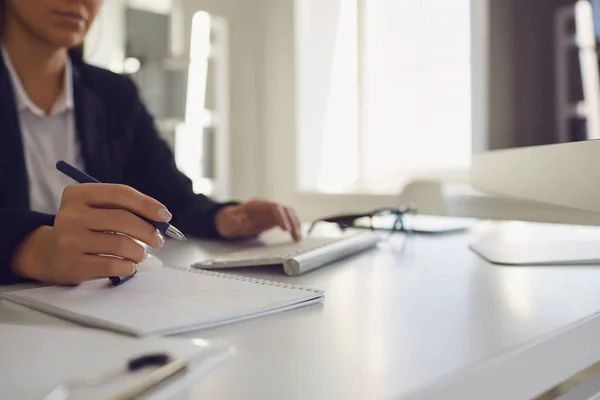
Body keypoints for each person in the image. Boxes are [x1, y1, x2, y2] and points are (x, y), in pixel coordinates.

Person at [0, 0, 302, 286]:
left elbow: (169, 197)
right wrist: (32, 248)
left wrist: (224, 218)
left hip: (97, 305)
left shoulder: (114, 94)